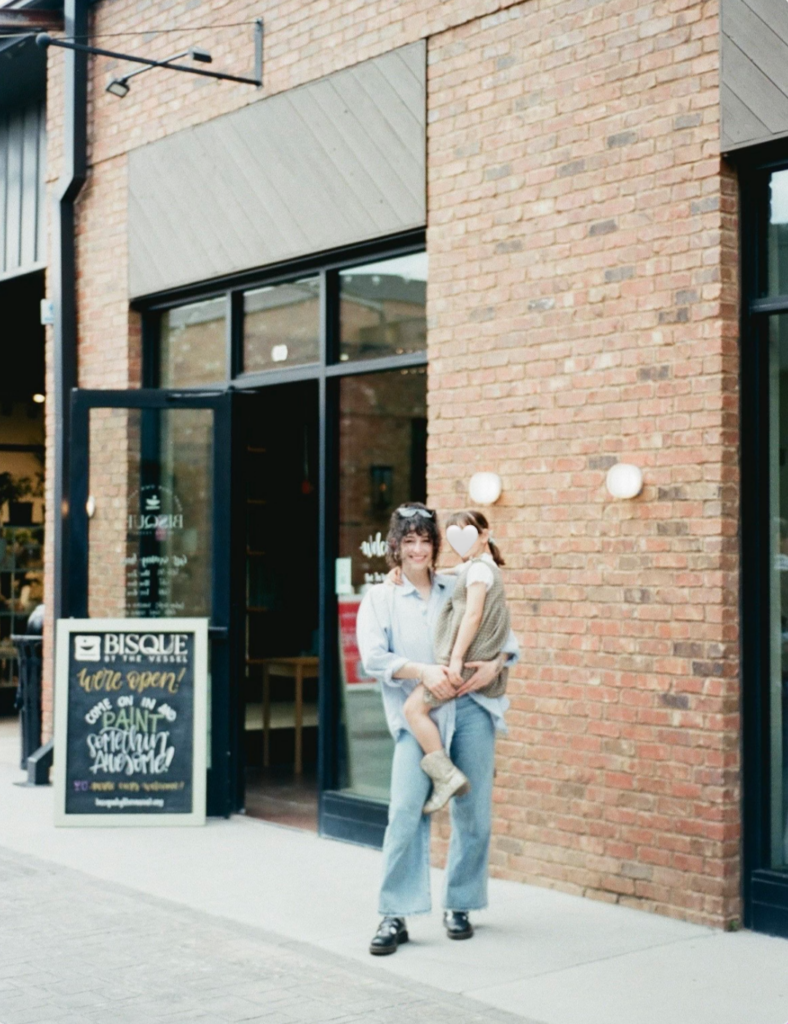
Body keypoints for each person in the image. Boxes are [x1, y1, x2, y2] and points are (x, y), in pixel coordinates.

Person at [356, 502, 519, 956]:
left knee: (474, 814)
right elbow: (373, 658)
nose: (418, 550)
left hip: (469, 709)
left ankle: (461, 903)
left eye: (425, 541)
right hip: (420, 717)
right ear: (395, 547)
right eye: (409, 541)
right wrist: (423, 672)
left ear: (435, 545)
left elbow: (504, 634)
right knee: (406, 811)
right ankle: (395, 913)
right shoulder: (381, 597)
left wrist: (496, 664)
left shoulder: (460, 582)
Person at [403, 509, 511, 814]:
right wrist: (414, 572)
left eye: (466, 535)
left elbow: (472, 615)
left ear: (485, 536)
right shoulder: (479, 568)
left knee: (413, 709)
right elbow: (456, 572)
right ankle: (456, 773)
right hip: (469, 664)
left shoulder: (478, 572)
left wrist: (456, 659)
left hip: (461, 666)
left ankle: (446, 776)